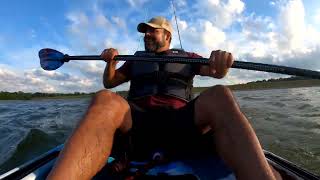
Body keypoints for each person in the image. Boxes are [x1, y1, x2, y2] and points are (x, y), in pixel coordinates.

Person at [47, 16, 281, 180]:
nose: (146, 35)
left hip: (180, 124)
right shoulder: (136, 59)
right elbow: (110, 82)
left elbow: (216, 72)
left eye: (152, 30)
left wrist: (221, 63)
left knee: (220, 94)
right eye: (145, 32)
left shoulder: (188, 57)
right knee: (104, 98)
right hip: (137, 126)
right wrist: (111, 63)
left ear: (167, 35)